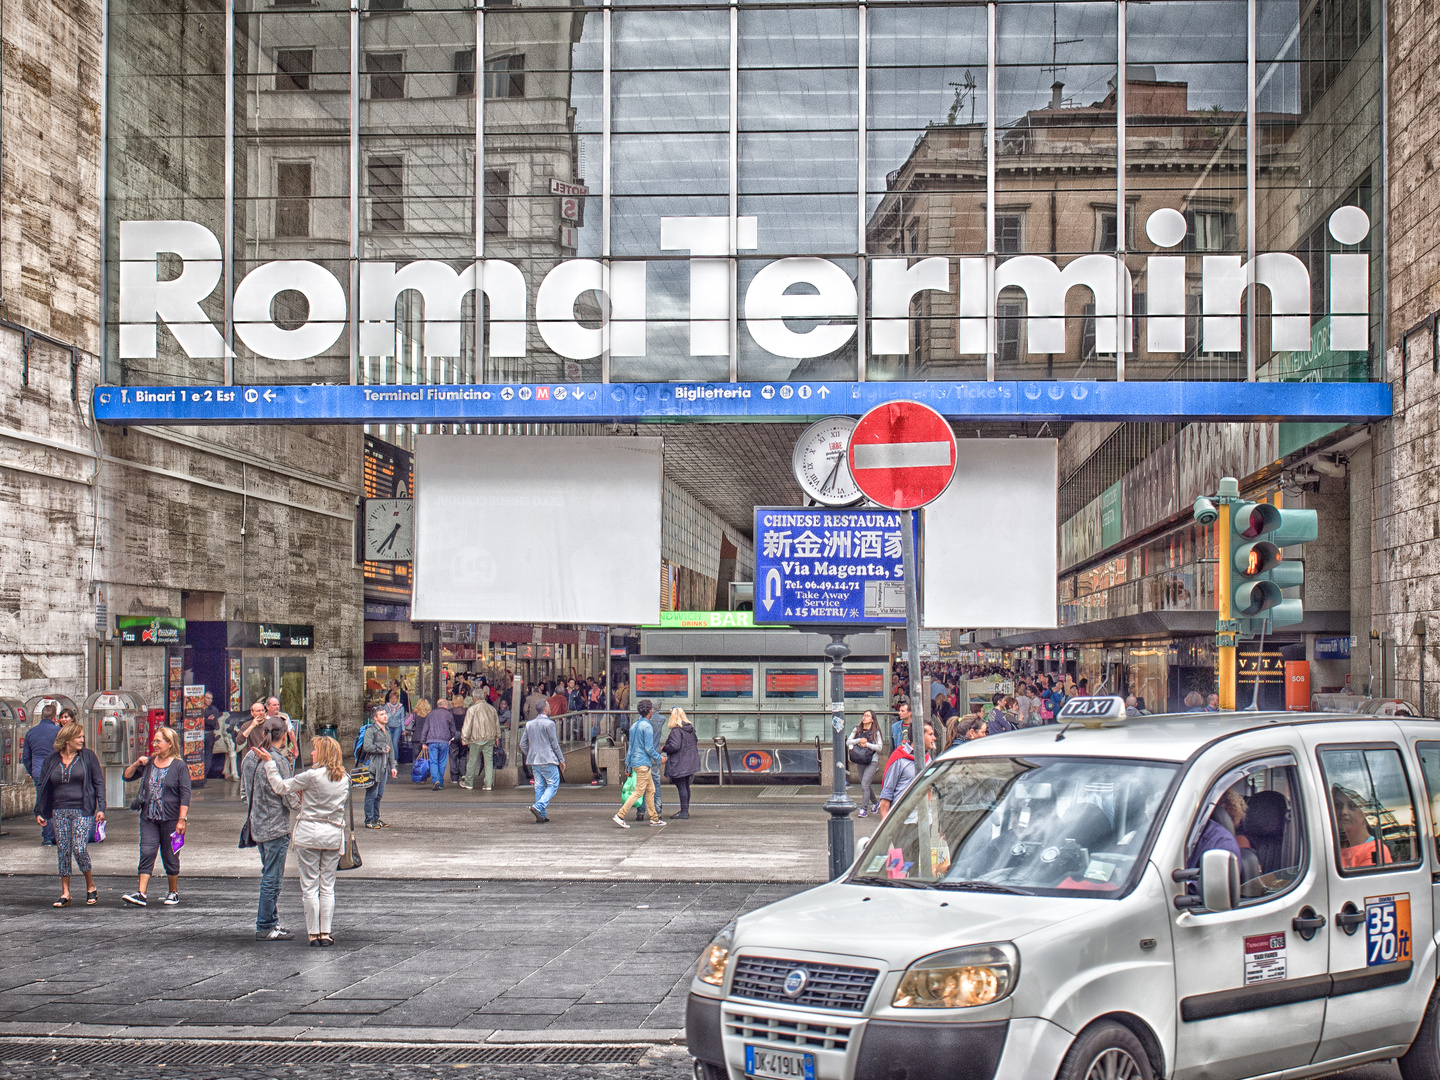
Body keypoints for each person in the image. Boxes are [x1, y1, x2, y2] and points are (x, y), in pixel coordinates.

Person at [254, 736, 350, 947]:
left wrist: (270, 762)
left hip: (309, 833)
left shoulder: (311, 776)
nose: (312, 753)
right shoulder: (344, 778)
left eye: (315, 749)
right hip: (333, 834)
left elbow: (280, 787)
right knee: (327, 886)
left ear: (323, 753)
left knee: (309, 886)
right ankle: (326, 932)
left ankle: (313, 933)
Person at [33, 722, 106, 907]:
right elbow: (42, 785)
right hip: (58, 809)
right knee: (63, 849)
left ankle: (90, 885)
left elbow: (98, 782)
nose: (82, 740)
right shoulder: (52, 759)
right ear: (67, 740)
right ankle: (65, 892)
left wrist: (102, 808)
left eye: (82, 737)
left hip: (82, 809)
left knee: (79, 848)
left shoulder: (87, 757)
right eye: (78, 737)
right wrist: (40, 810)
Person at [121, 726, 192, 907]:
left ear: (170, 744)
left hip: (171, 818)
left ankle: (173, 892)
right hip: (149, 817)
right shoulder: (149, 763)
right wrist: (137, 763)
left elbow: (185, 794)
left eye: (158, 741)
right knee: (147, 851)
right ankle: (141, 893)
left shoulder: (179, 766)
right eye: (154, 741)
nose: (155, 744)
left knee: (170, 855)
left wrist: (182, 820)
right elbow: (126, 776)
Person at [242, 719, 296, 940]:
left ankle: (271, 921)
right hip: (275, 825)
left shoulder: (249, 757)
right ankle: (265, 924)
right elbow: (288, 794)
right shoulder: (278, 760)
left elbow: (245, 792)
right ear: (283, 736)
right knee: (272, 878)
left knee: (269, 872)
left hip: (257, 823)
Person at [614, 699, 664, 829]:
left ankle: (654, 818)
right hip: (644, 764)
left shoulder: (634, 726)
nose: (652, 711)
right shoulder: (647, 726)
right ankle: (620, 815)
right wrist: (659, 758)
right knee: (639, 791)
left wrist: (628, 766)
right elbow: (649, 748)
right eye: (652, 709)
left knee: (651, 790)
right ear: (649, 711)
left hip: (636, 763)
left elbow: (630, 749)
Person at [22, 704, 63, 846]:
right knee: (58, 802)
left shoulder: (31, 733)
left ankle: (47, 836)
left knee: (43, 801)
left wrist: (32, 771)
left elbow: (26, 757)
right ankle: (59, 834)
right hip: (56, 771)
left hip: (39, 771)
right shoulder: (59, 732)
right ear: (55, 717)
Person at [878, 720, 936, 818]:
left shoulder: (928, 760)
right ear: (919, 736)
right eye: (930, 734)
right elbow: (886, 794)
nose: (934, 738)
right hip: (902, 819)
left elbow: (928, 789)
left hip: (923, 819)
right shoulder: (899, 759)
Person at [520, 699, 564, 823]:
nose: (550, 708)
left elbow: (522, 743)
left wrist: (530, 753)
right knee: (553, 783)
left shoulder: (529, 724)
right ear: (545, 709)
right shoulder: (549, 724)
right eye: (548, 706)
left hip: (534, 760)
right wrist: (561, 759)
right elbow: (554, 744)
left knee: (539, 786)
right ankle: (538, 806)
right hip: (547, 759)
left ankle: (542, 815)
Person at [1332, 786, 1393, 868]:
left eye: (1352, 806)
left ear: (1367, 813)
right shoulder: (1333, 846)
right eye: (1339, 805)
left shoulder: (1375, 850)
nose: (1343, 812)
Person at [360, 706, 397, 827]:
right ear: (375, 718)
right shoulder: (371, 731)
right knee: (372, 794)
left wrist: (393, 766)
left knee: (379, 794)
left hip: (384, 767)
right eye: (381, 714)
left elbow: (391, 749)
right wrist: (381, 748)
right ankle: (369, 819)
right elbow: (367, 746)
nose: (385, 716)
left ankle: (376, 818)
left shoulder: (386, 729)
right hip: (373, 767)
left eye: (385, 713)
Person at [662, 707, 700, 820]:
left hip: (680, 762)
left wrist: (665, 748)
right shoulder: (690, 729)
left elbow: (675, 746)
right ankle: (685, 810)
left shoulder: (676, 731)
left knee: (681, 786)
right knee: (686, 786)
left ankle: (684, 812)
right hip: (690, 761)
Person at [847, 710, 884, 818]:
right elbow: (848, 741)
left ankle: (863, 809)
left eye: (868, 716)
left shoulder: (875, 732)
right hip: (860, 759)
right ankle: (876, 803)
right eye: (864, 715)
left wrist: (867, 744)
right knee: (865, 784)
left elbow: (880, 747)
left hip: (872, 760)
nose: (865, 717)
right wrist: (858, 740)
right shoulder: (857, 729)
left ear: (872, 719)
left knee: (864, 784)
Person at [461, 691, 500, 791]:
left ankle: (469, 782)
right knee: (488, 761)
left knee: (472, 761)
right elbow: (496, 724)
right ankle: (488, 784)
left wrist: (464, 738)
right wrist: (497, 737)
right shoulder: (492, 709)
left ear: (474, 698)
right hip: (490, 738)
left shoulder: (472, 709)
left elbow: (467, 725)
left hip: (475, 738)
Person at [415, 697, 456, 790]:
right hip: (444, 741)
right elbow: (453, 729)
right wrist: (450, 737)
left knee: (433, 761)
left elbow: (425, 729)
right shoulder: (448, 714)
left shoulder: (430, 714)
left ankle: (436, 780)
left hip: (432, 741)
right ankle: (440, 783)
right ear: (445, 705)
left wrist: (423, 741)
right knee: (442, 762)